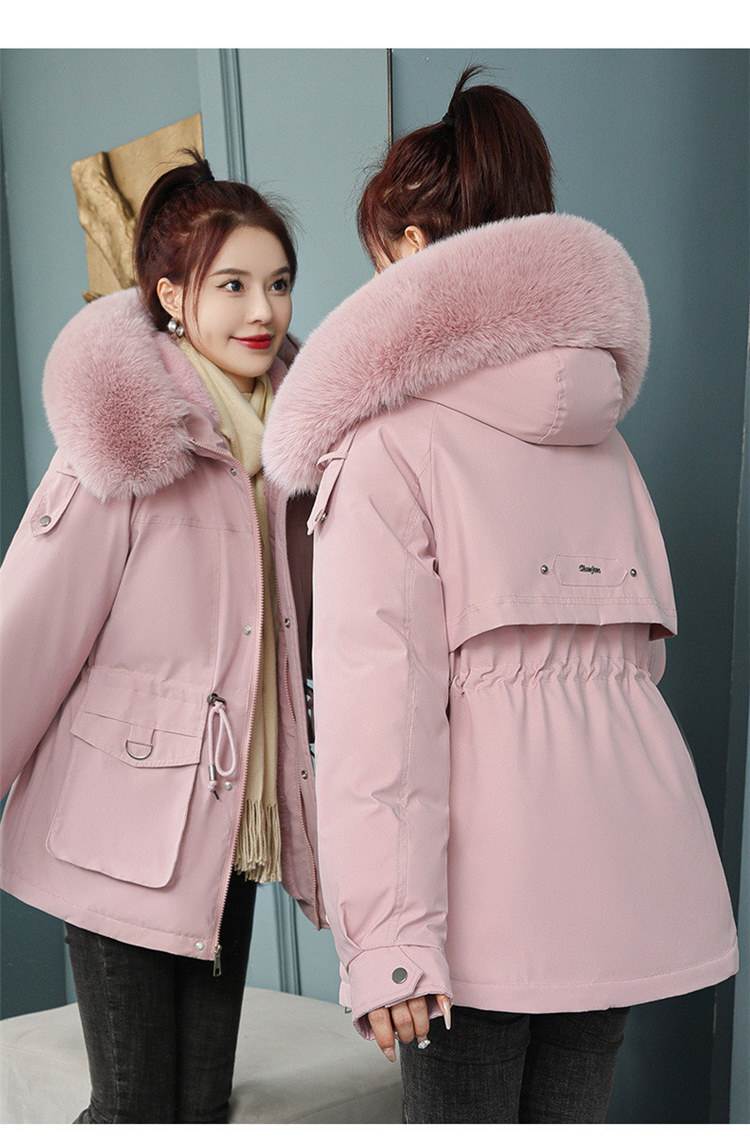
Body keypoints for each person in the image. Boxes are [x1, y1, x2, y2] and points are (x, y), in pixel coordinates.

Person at [262, 67, 740, 1124]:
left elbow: (377, 720)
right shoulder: (605, 442)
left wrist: (389, 943)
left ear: (413, 252)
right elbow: (640, 667)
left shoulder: (387, 449)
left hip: (470, 917)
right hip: (620, 883)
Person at [0, 148, 327, 1123]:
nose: (262, 310)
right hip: (119, 821)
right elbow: (29, 630)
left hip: (232, 820)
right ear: (171, 297)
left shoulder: (300, 453)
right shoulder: (127, 439)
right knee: (138, 1109)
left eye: (278, 283)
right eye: (232, 285)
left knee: (201, 1105)